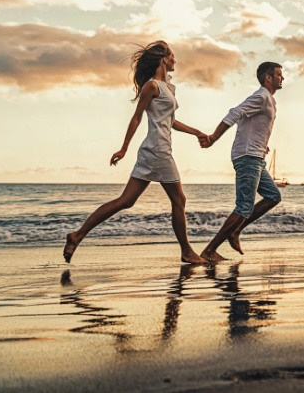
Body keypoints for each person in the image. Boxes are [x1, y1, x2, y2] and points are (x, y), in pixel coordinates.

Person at [63, 41, 209, 265]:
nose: (175, 60)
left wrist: (196, 132)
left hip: (154, 149)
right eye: (172, 56)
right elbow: (136, 117)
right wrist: (124, 148)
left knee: (126, 200)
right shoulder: (152, 86)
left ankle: (77, 235)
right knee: (179, 200)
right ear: (163, 59)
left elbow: (171, 122)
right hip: (158, 150)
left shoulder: (168, 87)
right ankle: (187, 252)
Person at [199, 61, 284, 262]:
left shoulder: (270, 100)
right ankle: (209, 250)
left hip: (256, 156)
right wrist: (213, 138)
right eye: (279, 75)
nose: (282, 78)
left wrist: (262, 144)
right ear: (268, 78)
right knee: (244, 206)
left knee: (273, 196)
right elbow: (235, 113)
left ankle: (235, 231)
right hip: (248, 157)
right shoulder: (261, 96)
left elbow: (254, 126)